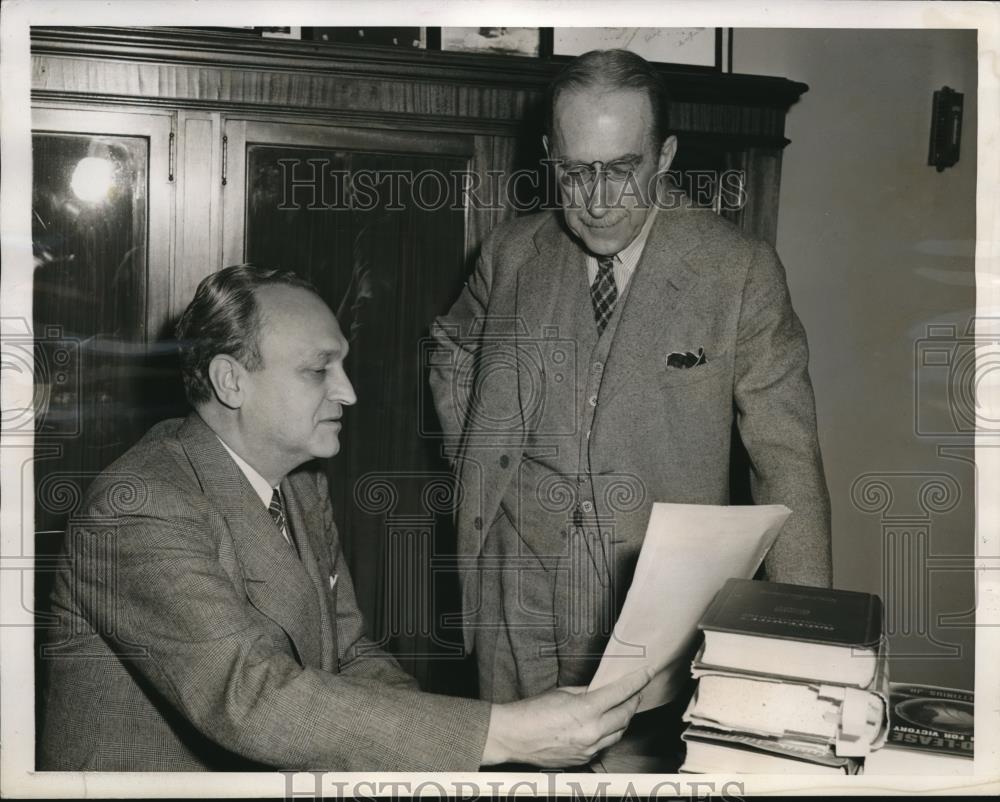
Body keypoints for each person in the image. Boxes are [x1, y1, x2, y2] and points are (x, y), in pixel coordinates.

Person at [37, 264, 650, 772]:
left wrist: (460, 755)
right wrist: (502, 733)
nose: (348, 392)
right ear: (231, 381)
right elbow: (252, 697)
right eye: (318, 370)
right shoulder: (139, 506)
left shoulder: (300, 487)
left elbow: (352, 655)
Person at [428, 49, 832, 766]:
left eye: (623, 167)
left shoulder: (737, 271)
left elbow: (785, 457)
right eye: (576, 170)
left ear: (666, 154)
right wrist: (477, 458)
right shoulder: (511, 252)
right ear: (550, 155)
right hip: (511, 582)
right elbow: (453, 346)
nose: (598, 196)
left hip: (652, 602)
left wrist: (803, 640)